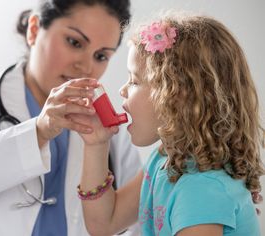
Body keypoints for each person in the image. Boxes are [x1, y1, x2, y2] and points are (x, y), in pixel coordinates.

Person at [0, 1, 142, 235]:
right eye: (74, 42)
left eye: (101, 56)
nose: (85, 66)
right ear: (33, 30)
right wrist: (38, 132)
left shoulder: (110, 135)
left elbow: (138, 222)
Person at [76, 12, 265, 235]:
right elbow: (104, 223)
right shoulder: (166, 158)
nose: (123, 90)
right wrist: (96, 145)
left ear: (177, 96)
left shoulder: (200, 189)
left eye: (135, 80)